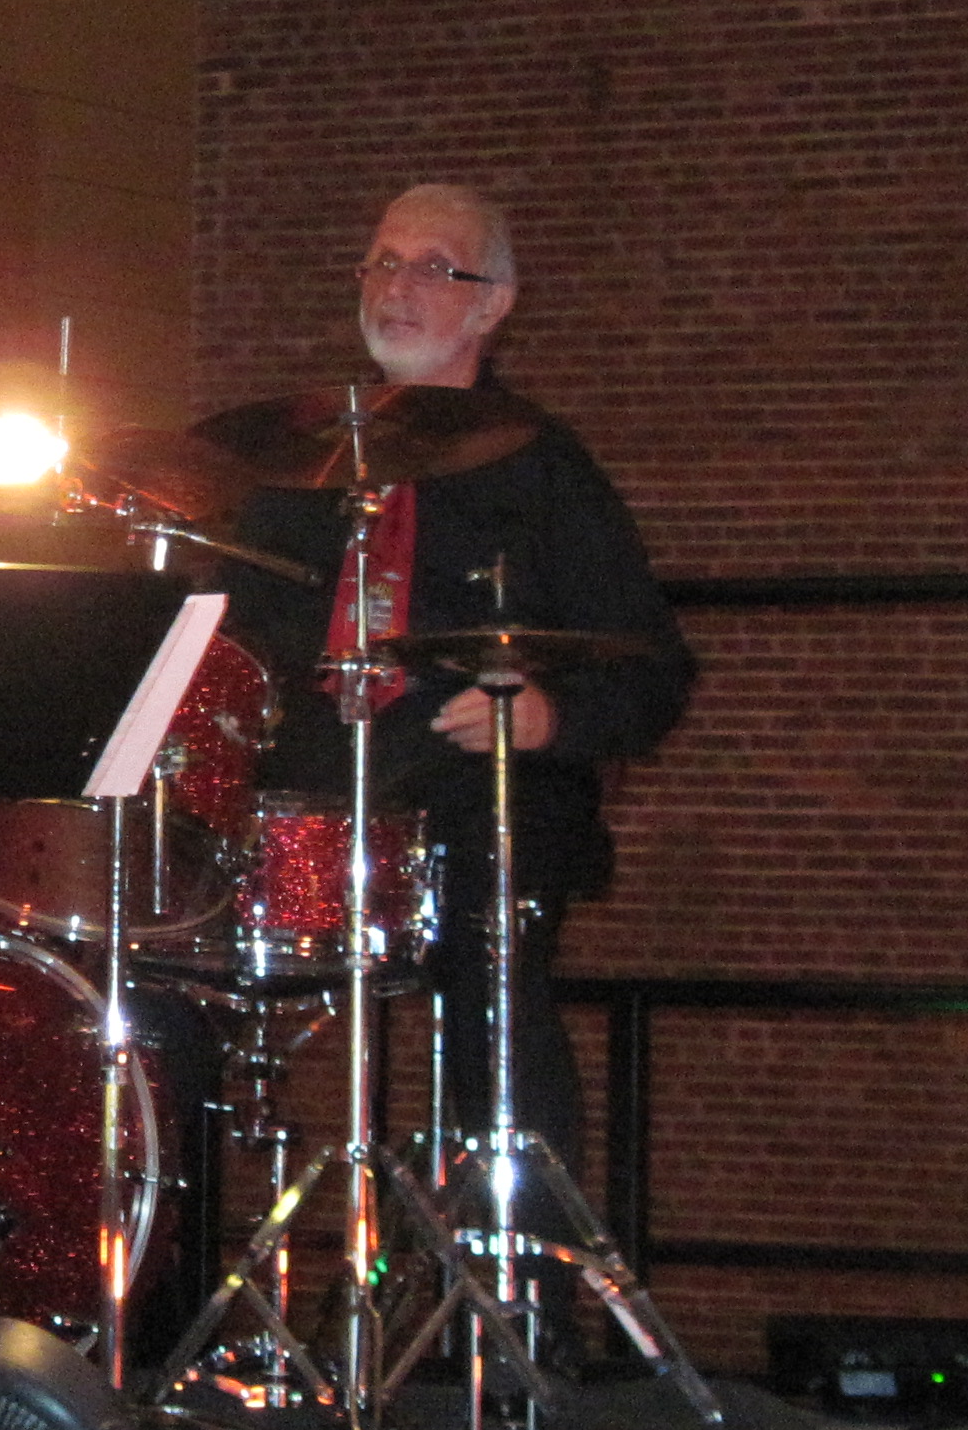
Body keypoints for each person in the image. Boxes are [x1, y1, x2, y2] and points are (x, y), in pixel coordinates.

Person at [218, 183, 691, 1166]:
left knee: (494, 982)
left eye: (434, 267)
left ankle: (523, 1300)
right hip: (306, 799)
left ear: (494, 302)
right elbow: (221, 648)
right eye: (382, 262)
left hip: (478, 796)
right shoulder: (292, 465)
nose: (397, 286)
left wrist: (548, 717)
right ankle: (151, 1284)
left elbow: (652, 669)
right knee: (144, 955)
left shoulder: (544, 470)